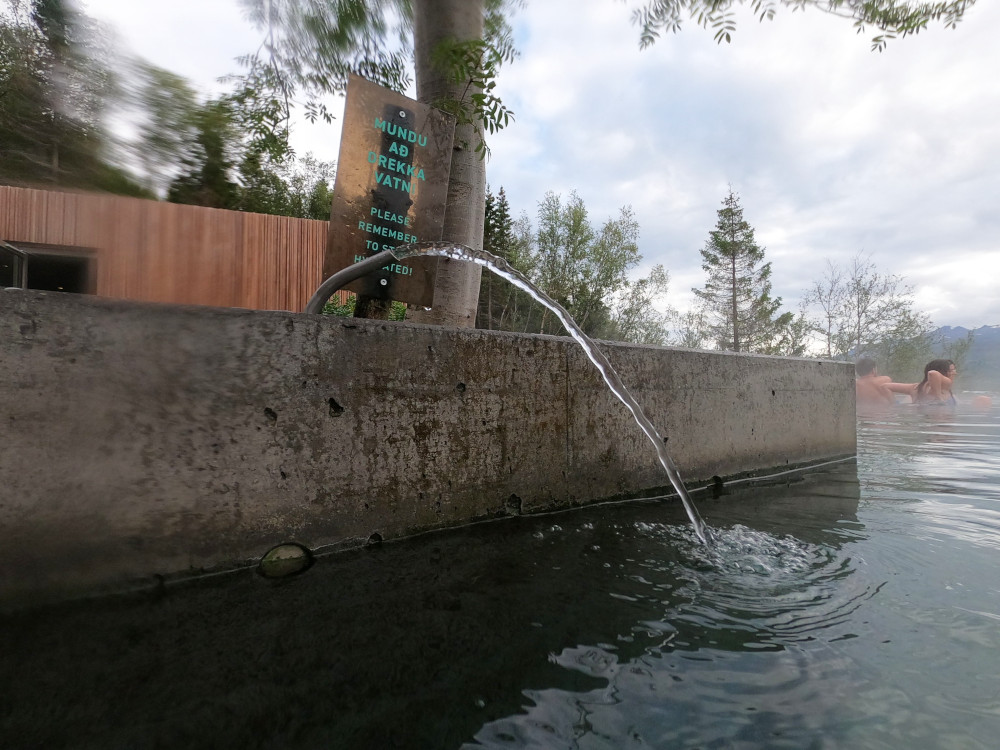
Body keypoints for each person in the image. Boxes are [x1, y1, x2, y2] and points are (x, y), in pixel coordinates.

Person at [884, 359, 957, 405]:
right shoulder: (946, 384)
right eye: (951, 370)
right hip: (940, 424)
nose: (954, 373)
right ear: (942, 372)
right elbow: (933, 373)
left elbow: (885, 386)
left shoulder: (915, 387)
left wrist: (894, 405)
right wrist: (938, 397)